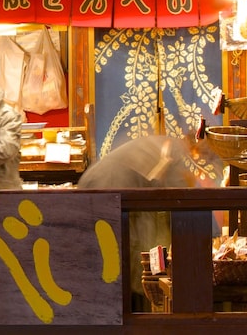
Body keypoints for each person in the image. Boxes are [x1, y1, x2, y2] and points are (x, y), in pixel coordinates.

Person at [77, 133, 212, 310]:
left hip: (96, 187)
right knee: (118, 255)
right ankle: (125, 313)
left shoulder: (158, 142)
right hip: (110, 191)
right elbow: (177, 193)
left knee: (105, 257)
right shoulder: (172, 148)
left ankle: (111, 309)